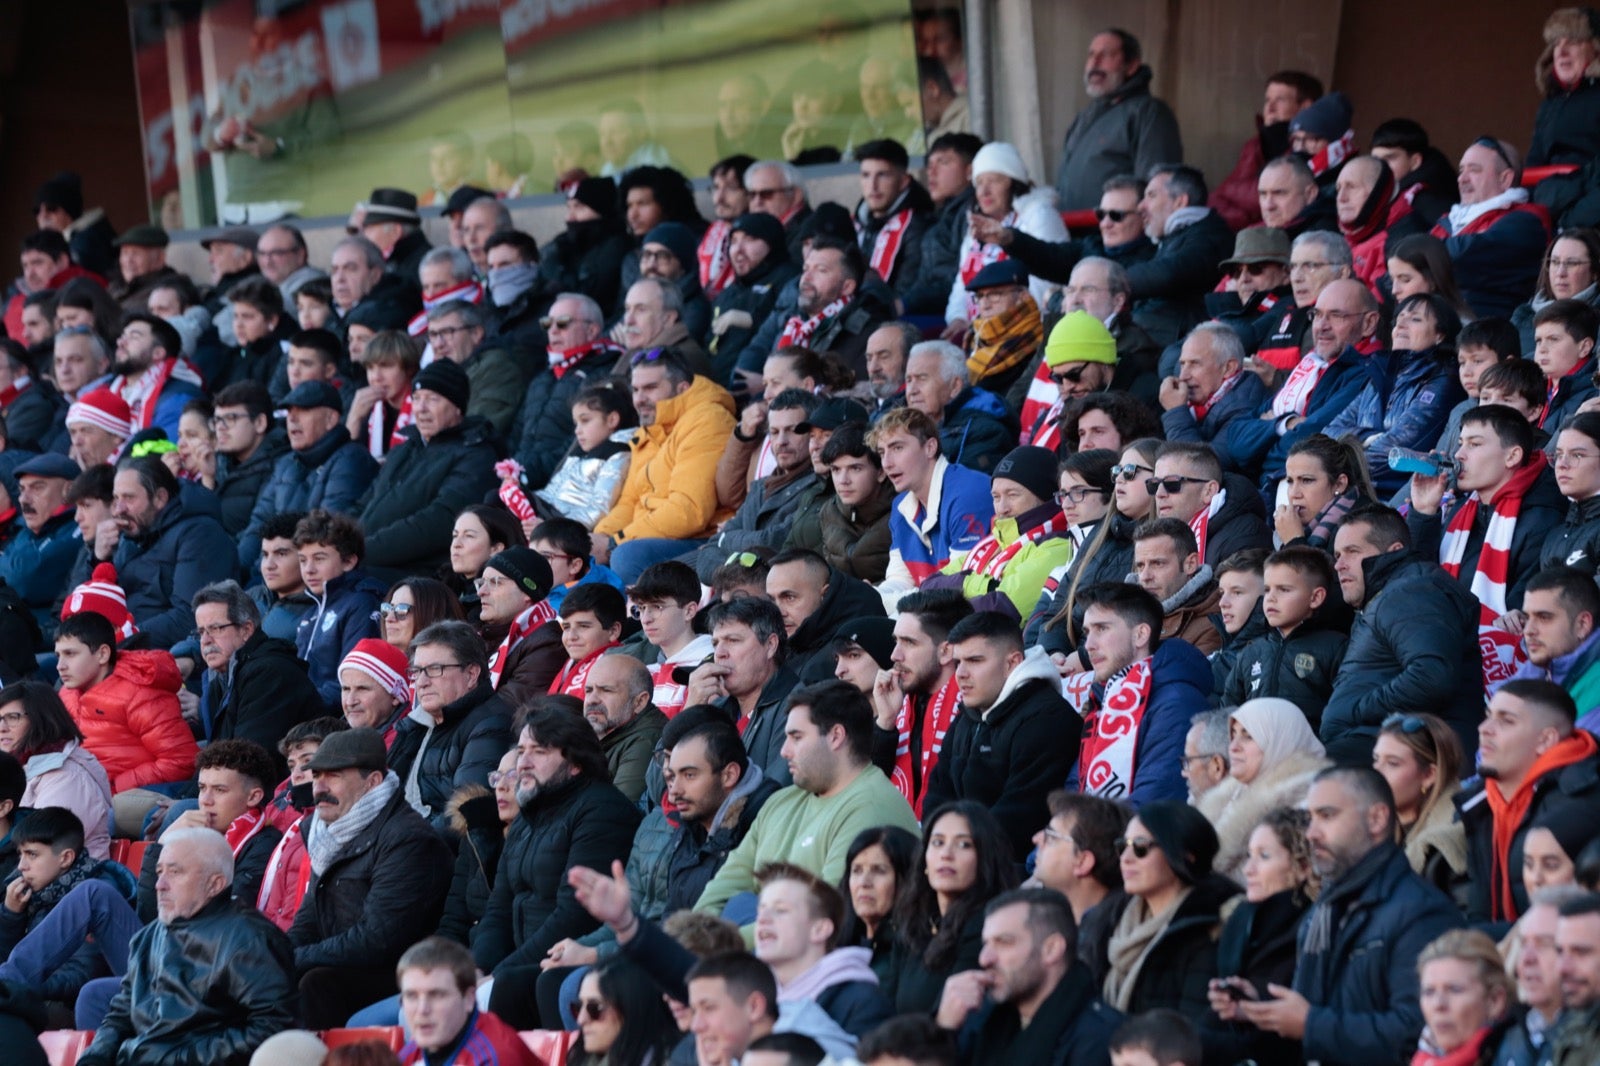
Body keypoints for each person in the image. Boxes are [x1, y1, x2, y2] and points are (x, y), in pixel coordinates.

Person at [1232, 768, 1461, 1066]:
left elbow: (1417, 1033)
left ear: (1376, 819)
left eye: (1327, 816)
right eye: (1311, 818)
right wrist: (1261, 1013)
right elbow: (1310, 1032)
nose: (1311, 832)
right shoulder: (1323, 912)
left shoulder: (1422, 913)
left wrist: (1311, 1024)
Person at [471, 707, 641, 1029]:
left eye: (540, 751)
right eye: (521, 751)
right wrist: (480, 969)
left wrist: (498, 975)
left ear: (575, 764)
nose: (523, 763)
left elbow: (573, 917)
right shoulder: (527, 818)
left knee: (480, 1000)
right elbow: (498, 909)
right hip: (519, 964)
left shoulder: (602, 810)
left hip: (563, 961)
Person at [694, 681, 920, 921]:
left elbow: (823, 919)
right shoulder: (781, 801)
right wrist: (697, 938)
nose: (784, 751)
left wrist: (724, 945)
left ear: (835, 736)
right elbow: (724, 886)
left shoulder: (871, 809)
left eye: (796, 737)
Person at [75, 828, 297, 1066]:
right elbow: (121, 1013)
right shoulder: (149, 935)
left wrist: (179, 1058)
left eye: (175, 872)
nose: (159, 884)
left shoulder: (250, 939)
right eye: (160, 872)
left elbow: (273, 1029)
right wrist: (96, 1055)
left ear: (215, 884)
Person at [289, 728, 452, 1029]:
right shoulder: (328, 833)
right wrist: (277, 956)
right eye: (317, 775)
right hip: (347, 964)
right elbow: (308, 921)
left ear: (373, 781)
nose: (319, 787)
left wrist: (296, 959)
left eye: (333, 776)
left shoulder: (407, 838)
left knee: (315, 982)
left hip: (402, 972)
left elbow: (378, 939)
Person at [1408, 406, 1564, 682]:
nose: (1459, 455)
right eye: (1460, 444)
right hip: (1443, 648)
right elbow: (1420, 581)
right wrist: (1423, 513)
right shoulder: (1464, 508)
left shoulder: (1542, 517)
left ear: (1512, 455)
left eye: (1475, 444)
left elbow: (1521, 609)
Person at [1323, 505, 1483, 765]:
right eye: (1337, 555)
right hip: (1377, 744)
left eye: (1352, 552)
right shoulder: (1386, 596)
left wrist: (1354, 710)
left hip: (1410, 753)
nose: (1339, 565)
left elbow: (1431, 676)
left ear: (1394, 551)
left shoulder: (1411, 591)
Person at [923, 612, 1078, 862]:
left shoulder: (1048, 720)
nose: (960, 673)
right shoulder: (969, 715)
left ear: (1012, 663)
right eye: (958, 662)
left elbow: (1021, 818)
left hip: (1011, 872)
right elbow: (938, 795)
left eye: (974, 660)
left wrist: (952, 852)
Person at [1456, 679, 1600, 927]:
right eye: (1488, 715)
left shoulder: (1582, 801)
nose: (1484, 728)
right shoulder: (1479, 801)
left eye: (1506, 721)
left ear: (1546, 740)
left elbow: (1566, 923)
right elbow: (1479, 908)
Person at [590, 348, 735, 583]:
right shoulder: (651, 428)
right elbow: (630, 501)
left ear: (682, 389)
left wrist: (614, 542)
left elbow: (689, 512)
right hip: (650, 535)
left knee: (627, 557)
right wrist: (599, 537)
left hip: (704, 538)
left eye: (650, 388)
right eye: (636, 389)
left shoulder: (708, 420)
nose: (639, 399)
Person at [357, 360, 498, 581]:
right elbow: (364, 504)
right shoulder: (404, 449)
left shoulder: (476, 455)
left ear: (457, 407)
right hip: (369, 560)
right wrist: (335, 542)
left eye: (432, 399)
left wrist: (361, 552)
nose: (421, 408)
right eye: (416, 398)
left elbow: (438, 522)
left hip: (417, 578)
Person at [1099, 800, 1237, 1022]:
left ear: (1185, 854)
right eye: (1122, 846)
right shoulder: (1112, 919)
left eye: (1140, 847)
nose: (1125, 858)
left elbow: (1192, 1033)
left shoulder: (1208, 931)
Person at [1204, 807, 1318, 1066]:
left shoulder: (1313, 929)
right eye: (1249, 856)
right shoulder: (1238, 918)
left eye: (1264, 856)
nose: (1248, 870)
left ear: (1302, 867)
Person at [238, 377, 377, 573]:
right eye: (289, 412)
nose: (292, 419)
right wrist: (237, 572)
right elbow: (259, 524)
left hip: (308, 578)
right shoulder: (286, 462)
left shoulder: (351, 460)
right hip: (271, 574)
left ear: (331, 419)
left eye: (303, 411)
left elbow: (328, 537)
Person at [54, 610, 195, 796]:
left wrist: (114, 787)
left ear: (102, 654)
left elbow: (181, 760)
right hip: (83, 791)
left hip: (133, 795)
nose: (60, 665)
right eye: (58, 656)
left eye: (70, 654)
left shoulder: (140, 693)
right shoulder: (67, 693)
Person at [389, 621, 514, 829]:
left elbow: (465, 817)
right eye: (417, 671)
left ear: (472, 674)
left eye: (434, 669)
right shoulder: (416, 724)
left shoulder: (492, 724)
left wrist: (401, 846)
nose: (421, 682)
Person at [868, 406, 994, 612]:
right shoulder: (901, 507)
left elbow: (959, 588)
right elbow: (900, 579)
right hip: (930, 614)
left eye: (897, 448)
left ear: (930, 447)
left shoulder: (967, 495)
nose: (887, 463)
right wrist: (874, 595)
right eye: (882, 452)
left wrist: (882, 602)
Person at [191, 581, 321, 771]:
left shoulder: (268, 673)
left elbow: (246, 759)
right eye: (201, 631)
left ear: (246, 630)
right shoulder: (217, 680)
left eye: (216, 628)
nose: (205, 640)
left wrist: (187, 798)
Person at [1219, 547, 1348, 729]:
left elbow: (1341, 714)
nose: (1270, 598)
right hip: (1257, 755)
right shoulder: (1251, 652)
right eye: (1267, 589)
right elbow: (1228, 713)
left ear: (1316, 597)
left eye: (1284, 589)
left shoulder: (1335, 647)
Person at [1054, 30, 1182, 212]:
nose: (1094, 63)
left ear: (1131, 66)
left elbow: (1154, 188)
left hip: (1115, 233)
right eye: (1091, 54)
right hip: (1074, 234)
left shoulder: (1148, 112)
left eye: (1106, 55)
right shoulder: (1085, 115)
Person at [1201, 701, 1329, 880]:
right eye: (1233, 734)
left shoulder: (1307, 802)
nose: (1233, 746)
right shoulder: (1232, 794)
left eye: (1248, 736)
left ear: (1281, 740)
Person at [682, 596, 799, 787]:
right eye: (715, 643)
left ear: (770, 646)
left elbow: (775, 792)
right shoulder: (714, 710)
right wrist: (689, 713)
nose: (719, 653)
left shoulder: (798, 706)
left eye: (733, 640)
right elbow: (657, 787)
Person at [1431, 138, 1551, 319]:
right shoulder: (1447, 221)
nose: (1462, 179)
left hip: (1489, 332)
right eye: (1462, 170)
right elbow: (1404, 263)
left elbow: (1461, 256)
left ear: (1505, 179)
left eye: (1474, 170)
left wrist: (1425, 261)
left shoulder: (1526, 221)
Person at [0, 682, 112, 861]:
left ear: (41, 719)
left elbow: (43, 852)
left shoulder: (67, 777)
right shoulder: (17, 768)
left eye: (12, 717)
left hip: (70, 883)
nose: (2, 727)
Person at [1372, 713, 1468, 904]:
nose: (1376, 772)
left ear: (1429, 775)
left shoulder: (1449, 839)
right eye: (1376, 759)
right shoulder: (1372, 828)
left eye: (1392, 763)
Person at [395, 936, 536, 1066]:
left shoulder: (495, 1055)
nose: (422, 1009)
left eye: (437, 995)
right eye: (412, 996)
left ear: (469, 999)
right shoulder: (415, 1051)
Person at [1148, 441, 1272, 568]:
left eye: (1172, 484)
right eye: (1154, 485)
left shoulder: (1246, 536)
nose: (1159, 494)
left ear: (1209, 491)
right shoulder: (1158, 540)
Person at [1408, 930, 1517, 1066]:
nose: (1438, 1004)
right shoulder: (1422, 1059)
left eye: (1455, 990)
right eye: (1429, 992)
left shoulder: (1521, 1056)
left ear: (1495, 1000)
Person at [1158, 323, 1269, 451]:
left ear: (1228, 368)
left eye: (1195, 364)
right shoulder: (1200, 401)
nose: (1183, 376)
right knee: (1133, 468)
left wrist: (1175, 412)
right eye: (1183, 364)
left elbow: (1197, 466)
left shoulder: (1244, 407)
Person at [1129, 518, 1223, 656]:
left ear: (1190, 564)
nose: (1145, 576)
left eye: (1157, 564)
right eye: (1140, 566)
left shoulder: (1214, 624)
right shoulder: (1124, 617)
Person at [852, 139, 932, 299]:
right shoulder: (857, 222)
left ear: (903, 181)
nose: (873, 185)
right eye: (866, 175)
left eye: (882, 175)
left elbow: (904, 295)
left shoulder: (917, 226)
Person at [563, 957, 679, 1066]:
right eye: (578, 1007)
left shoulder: (676, 1060)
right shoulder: (585, 1059)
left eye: (595, 1008)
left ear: (631, 1008)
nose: (581, 1020)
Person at [1513, 228, 1600, 356]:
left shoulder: (1596, 322)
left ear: (1595, 272)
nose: (1560, 273)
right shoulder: (1524, 315)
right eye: (1554, 262)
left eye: (1572, 263)